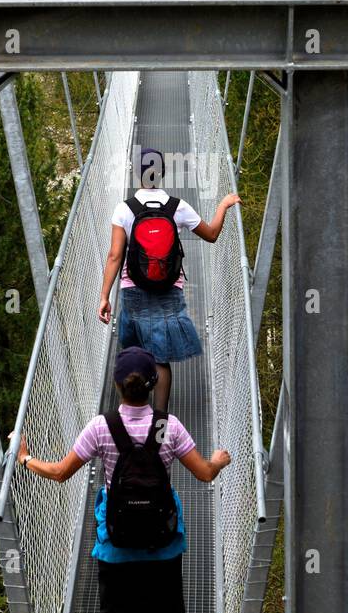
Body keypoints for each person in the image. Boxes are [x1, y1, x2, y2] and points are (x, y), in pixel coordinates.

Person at [18, 346, 230, 613]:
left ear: (118, 385)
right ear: (153, 385)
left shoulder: (102, 426)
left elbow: (61, 472)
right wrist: (219, 460)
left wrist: (25, 459)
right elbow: (204, 473)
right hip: (160, 540)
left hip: (116, 541)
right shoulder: (167, 426)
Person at [98, 147, 241, 416]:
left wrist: (104, 296)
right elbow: (211, 235)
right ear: (162, 173)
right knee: (160, 357)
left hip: (134, 290)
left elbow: (115, 255)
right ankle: (160, 419)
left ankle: (132, 411)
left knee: (133, 351)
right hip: (168, 290)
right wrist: (222, 205)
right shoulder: (178, 207)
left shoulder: (124, 209)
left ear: (136, 174)